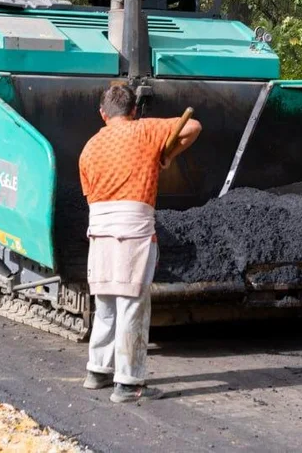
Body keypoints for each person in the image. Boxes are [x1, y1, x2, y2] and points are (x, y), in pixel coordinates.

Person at [79, 84, 201, 403]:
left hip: (99, 233)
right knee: (132, 305)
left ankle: (97, 371)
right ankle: (128, 383)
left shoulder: (89, 148)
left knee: (106, 303)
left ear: (103, 114)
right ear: (134, 111)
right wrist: (168, 155)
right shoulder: (145, 130)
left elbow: (91, 196)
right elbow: (192, 126)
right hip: (133, 232)